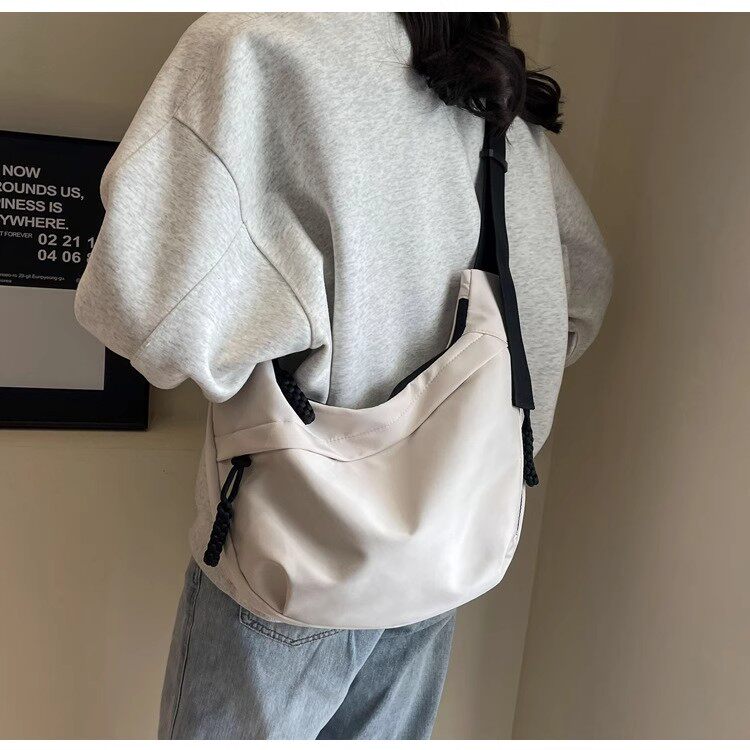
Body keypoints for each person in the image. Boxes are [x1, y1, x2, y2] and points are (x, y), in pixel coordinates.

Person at [74, 12, 612, 740]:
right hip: (445, 552)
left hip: (295, 555)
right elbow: (579, 295)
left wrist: (276, 346)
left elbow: (140, 308)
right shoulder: (486, 80)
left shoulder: (256, 45)